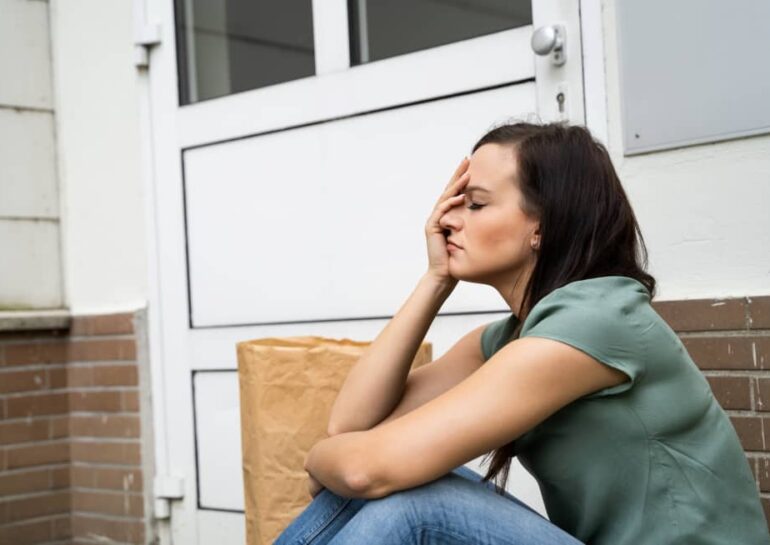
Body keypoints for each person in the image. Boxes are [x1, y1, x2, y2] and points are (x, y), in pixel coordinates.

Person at [274, 121, 770, 545]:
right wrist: (434, 280)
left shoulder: (595, 323)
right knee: (391, 483)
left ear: (542, 227)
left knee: (411, 502)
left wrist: (319, 462)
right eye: (455, 203)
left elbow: (363, 465)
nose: (445, 219)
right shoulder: (509, 338)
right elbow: (352, 431)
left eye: (475, 205)